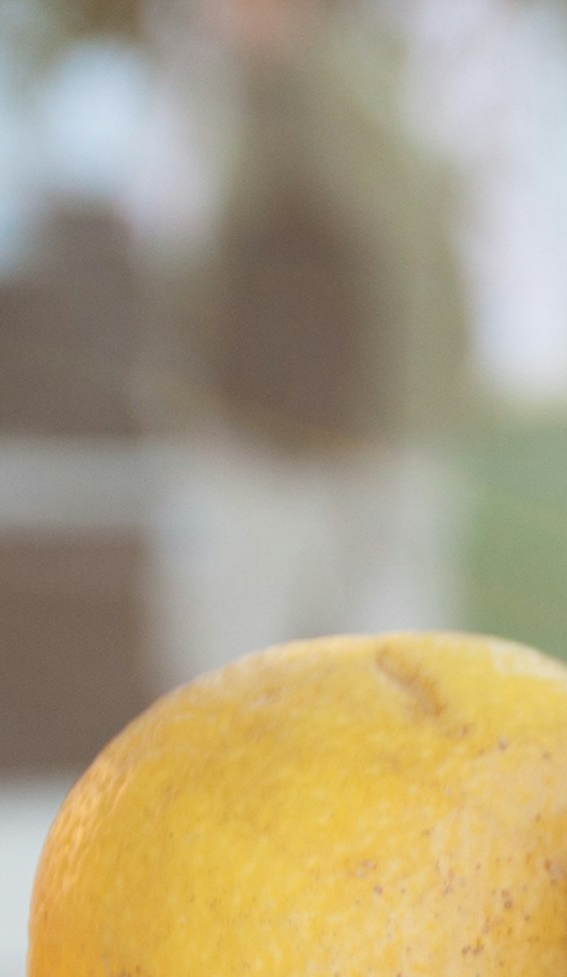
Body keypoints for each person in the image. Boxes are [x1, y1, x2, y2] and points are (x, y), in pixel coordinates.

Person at [139, 0, 469, 684]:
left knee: (399, 682)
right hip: (246, 445)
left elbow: (415, 259)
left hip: (377, 442)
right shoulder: (203, 101)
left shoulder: (377, 85)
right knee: (227, 683)